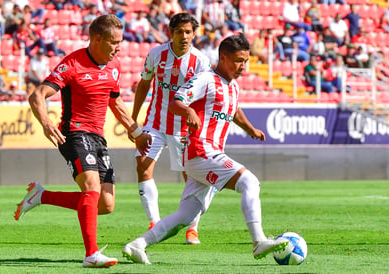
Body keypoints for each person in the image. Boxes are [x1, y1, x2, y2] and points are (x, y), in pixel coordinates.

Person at [122, 34, 289, 264]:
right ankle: (259, 241)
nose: (243, 66)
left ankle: (136, 245)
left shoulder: (233, 86)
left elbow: (234, 110)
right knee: (249, 182)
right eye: (238, 60)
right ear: (223, 57)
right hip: (201, 150)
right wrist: (189, 111)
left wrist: (250, 128)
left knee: (185, 216)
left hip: (205, 155)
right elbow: (175, 102)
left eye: (246, 61)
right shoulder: (206, 79)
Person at [14, 14, 152, 268]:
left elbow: (116, 102)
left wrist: (135, 131)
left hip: (98, 137)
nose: (119, 47)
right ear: (97, 39)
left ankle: (42, 197)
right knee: (91, 186)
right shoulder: (72, 64)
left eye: (120, 42)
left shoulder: (114, 66)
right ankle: (91, 254)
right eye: (114, 42)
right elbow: (38, 95)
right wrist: (46, 124)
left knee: (105, 204)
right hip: (74, 133)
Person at [131, 12, 211, 245]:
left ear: (195, 33)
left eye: (188, 32)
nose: (184, 36)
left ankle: (192, 227)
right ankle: (155, 222)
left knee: (192, 177)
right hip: (155, 122)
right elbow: (144, 84)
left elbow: (204, 97)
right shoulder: (156, 54)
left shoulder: (201, 62)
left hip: (183, 129)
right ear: (171, 33)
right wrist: (133, 119)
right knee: (142, 166)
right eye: (179, 32)